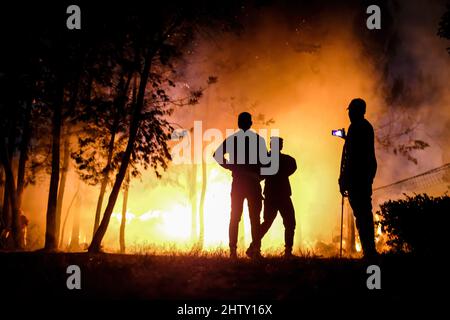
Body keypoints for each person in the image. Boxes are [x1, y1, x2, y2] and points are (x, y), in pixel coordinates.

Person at [213, 112, 268, 259]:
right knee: (255, 218)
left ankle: (233, 251)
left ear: (239, 124)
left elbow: (216, 155)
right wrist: (259, 176)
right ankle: (256, 250)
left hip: (238, 183)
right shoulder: (258, 140)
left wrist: (231, 167)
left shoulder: (233, 140)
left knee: (235, 217)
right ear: (250, 124)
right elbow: (266, 162)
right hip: (253, 183)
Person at [339, 98, 378, 259]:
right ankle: (369, 251)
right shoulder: (363, 127)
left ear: (358, 111)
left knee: (362, 216)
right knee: (363, 215)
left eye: (351, 111)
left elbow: (353, 157)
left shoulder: (357, 127)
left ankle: (370, 252)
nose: (349, 114)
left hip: (358, 178)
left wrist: (344, 180)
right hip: (363, 176)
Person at [259, 137, 297, 257]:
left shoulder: (266, 160)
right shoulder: (285, 159)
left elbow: (260, 175)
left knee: (268, 222)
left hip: (271, 195)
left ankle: (253, 247)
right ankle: (288, 252)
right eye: (280, 144)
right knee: (290, 222)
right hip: (282, 195)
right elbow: (293, 165)